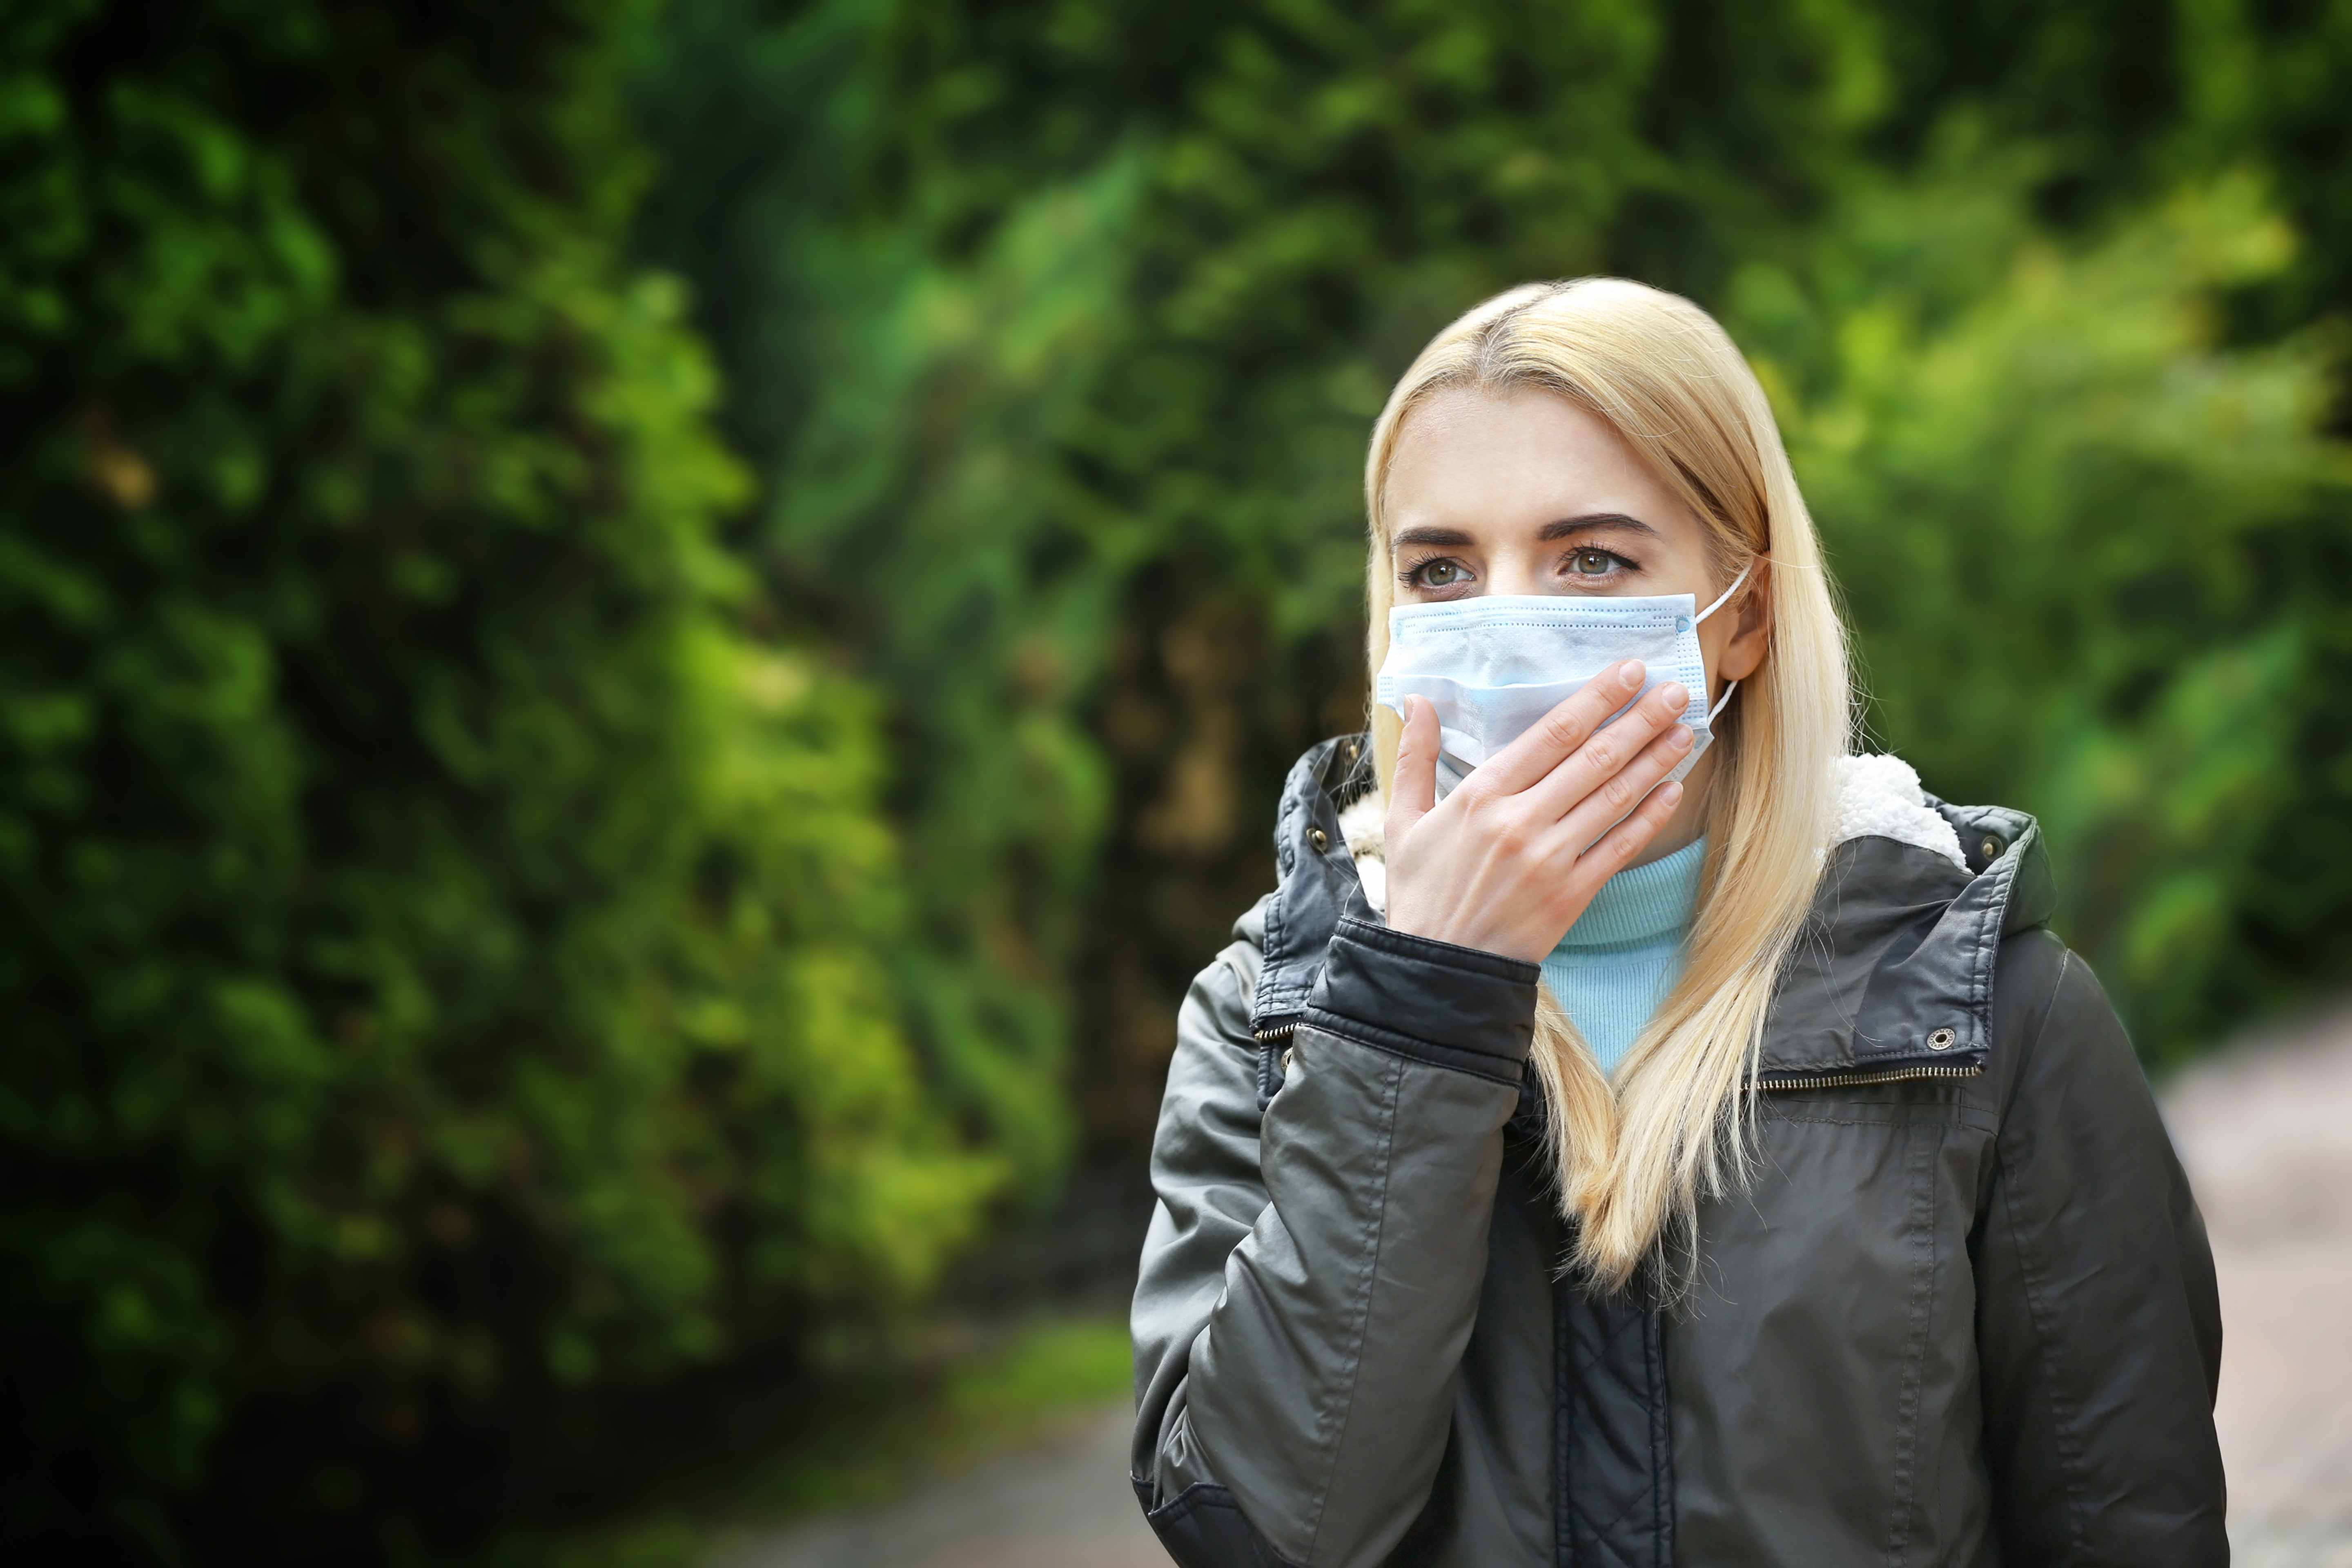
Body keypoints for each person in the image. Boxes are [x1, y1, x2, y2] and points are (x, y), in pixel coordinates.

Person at [1127, 278, 2226, 1567]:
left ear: (1744, 615)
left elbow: (2128, 1525)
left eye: (1591, 558)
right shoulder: (1274, 1009)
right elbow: (1262, 1529)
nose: (1509, 625)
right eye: (1442, 569)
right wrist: (1421, 995)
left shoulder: (1985, 1011)